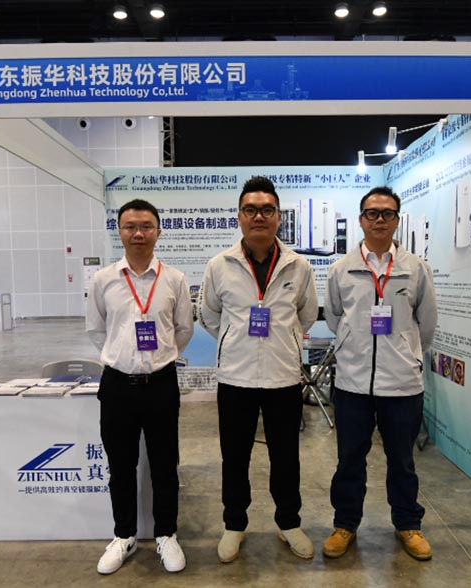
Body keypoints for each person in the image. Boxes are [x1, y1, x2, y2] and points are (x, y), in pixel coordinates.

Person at [198, 176, 319, 563]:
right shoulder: (220, 265)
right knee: (234, 457)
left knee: (287, 457)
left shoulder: (298, 266)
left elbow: (306, 315)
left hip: (283, 377)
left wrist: (283, 341)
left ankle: (288, 523)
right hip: (236, 378)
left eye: (267, 210)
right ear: (239, 216)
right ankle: (234, 524)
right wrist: (236, 340)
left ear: (278, 216)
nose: (259, 217)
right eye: (250, 210)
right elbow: (209, 315)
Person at [322, 186, 438, 561]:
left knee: (402, 461)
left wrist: (405, 353)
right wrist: (354, 345)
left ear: (396, 220)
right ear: (361, 220)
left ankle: (408, 525)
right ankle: (345, 524)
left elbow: (426, 324)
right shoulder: (341, 269)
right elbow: (335, 317)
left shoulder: (415, 269)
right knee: (349, 461)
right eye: (372, 213)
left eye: (387, 214)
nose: (379, 220)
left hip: (402, 384)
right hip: (352, 383)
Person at [86, 198, 194, 575]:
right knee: (121, 466)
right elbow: (95, 329)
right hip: (117, 385)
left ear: (158, 231)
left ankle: (166, 533)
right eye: (130, 226)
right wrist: (121, 357)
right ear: (119, 231)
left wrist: (159, 356)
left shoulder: (174, 279)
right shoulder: (104, 279)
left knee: (165, 466)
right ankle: (124, 535)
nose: (138, 233)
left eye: (146, 226)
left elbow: (183, 329)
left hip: (161, 384)